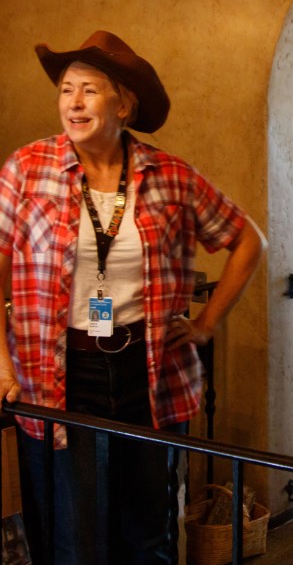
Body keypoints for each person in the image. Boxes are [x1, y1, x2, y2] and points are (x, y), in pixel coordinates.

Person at [0, 30, 266, 565]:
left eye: (89, 90)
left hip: (150, 371)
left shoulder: (169, 176)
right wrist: (1, 363)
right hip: (58, 374)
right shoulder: (26, 170)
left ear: (125, 103)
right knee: (75, 538)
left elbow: (246, 239)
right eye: (66, 90)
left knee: (149, 534)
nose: (73, 103)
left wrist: (206, 323)